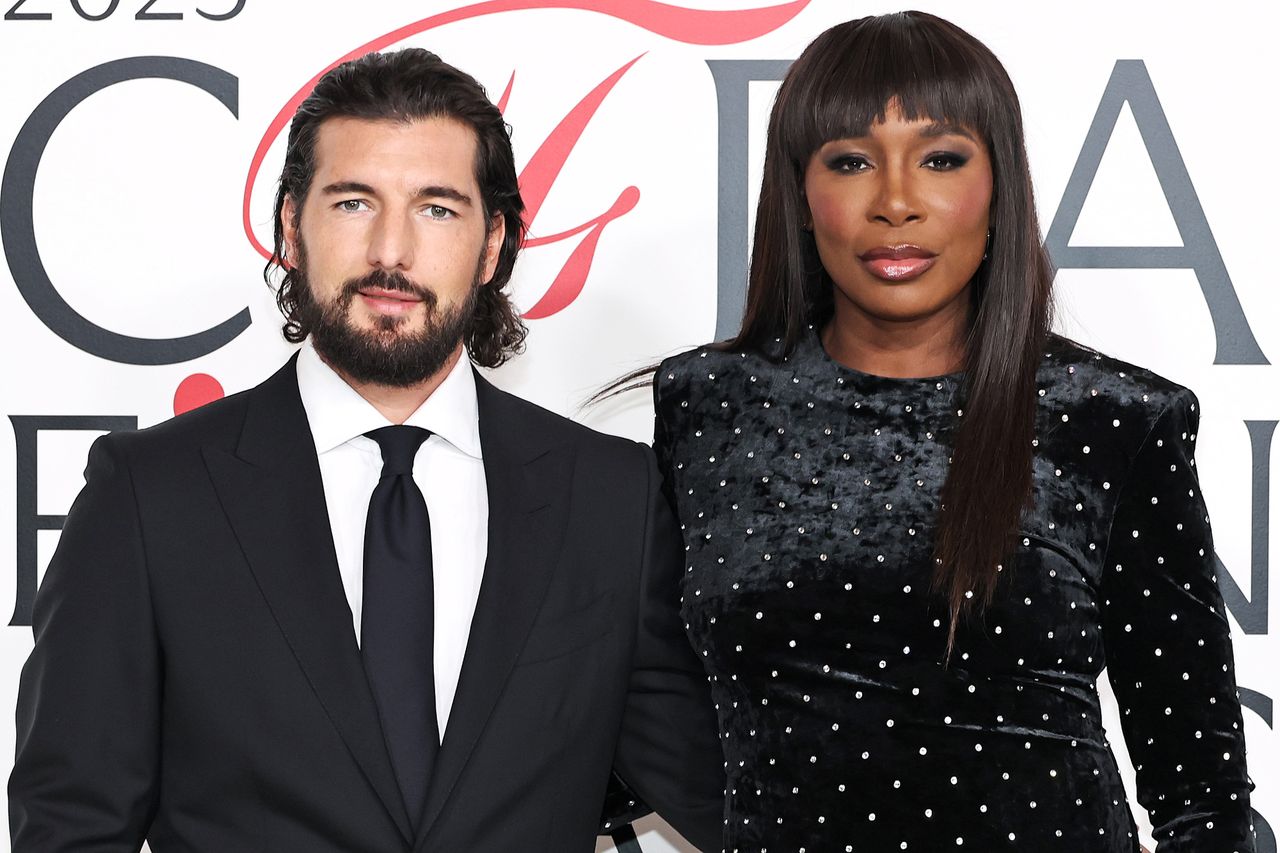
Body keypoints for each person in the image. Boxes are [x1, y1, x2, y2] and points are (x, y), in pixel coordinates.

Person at [10, 48, 724, 853]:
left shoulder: (611, 501)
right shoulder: (148, 496)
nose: (392, 249)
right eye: (354, 202)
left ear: (493, 246)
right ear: (291, 226)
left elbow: (742, 800)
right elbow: (70, 825)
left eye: (437, 209)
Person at [652, 11, 1253, 852]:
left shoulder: (1117, 419)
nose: (896, 202)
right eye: (852, 161)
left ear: (999, 185)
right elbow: (635, 706)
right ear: (800, 192)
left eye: (941, 159)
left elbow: (1202, 795)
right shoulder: (705, 406)